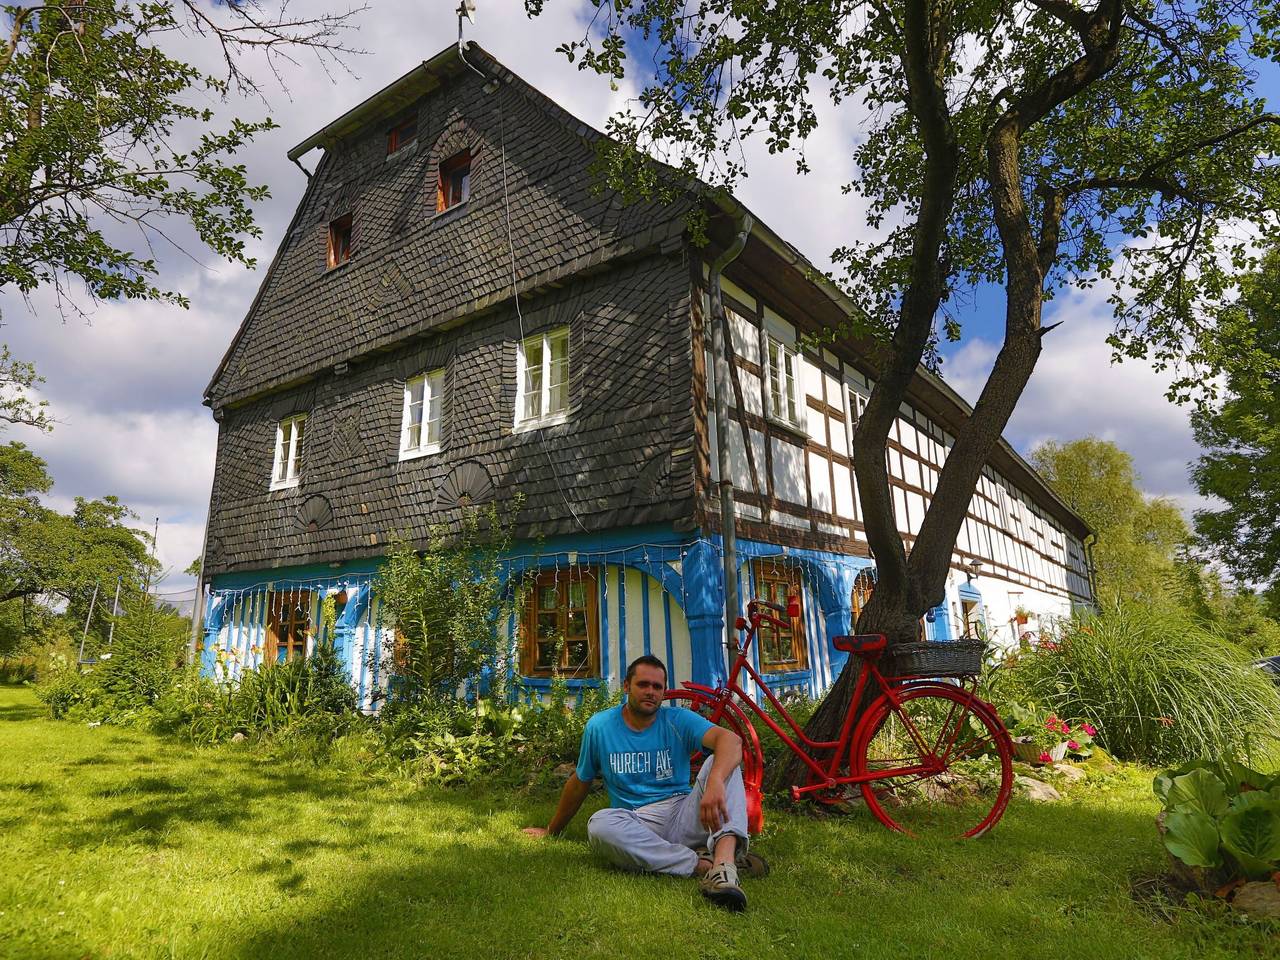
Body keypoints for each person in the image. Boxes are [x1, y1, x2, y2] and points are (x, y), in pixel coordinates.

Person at [522, 654, 766, 911]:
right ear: (626, 686)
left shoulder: (677, 720)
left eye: (657, 687)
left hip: (683, 812)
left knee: (721, 763)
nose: (650, 692)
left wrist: (715, 781)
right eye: (643, 685)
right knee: (599, 825)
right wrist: (552, 830)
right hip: (636, 821)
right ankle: (701, 864)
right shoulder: (600, 727)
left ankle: (724, 869)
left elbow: (731, 741)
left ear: (663, 692)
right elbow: (581, 781)